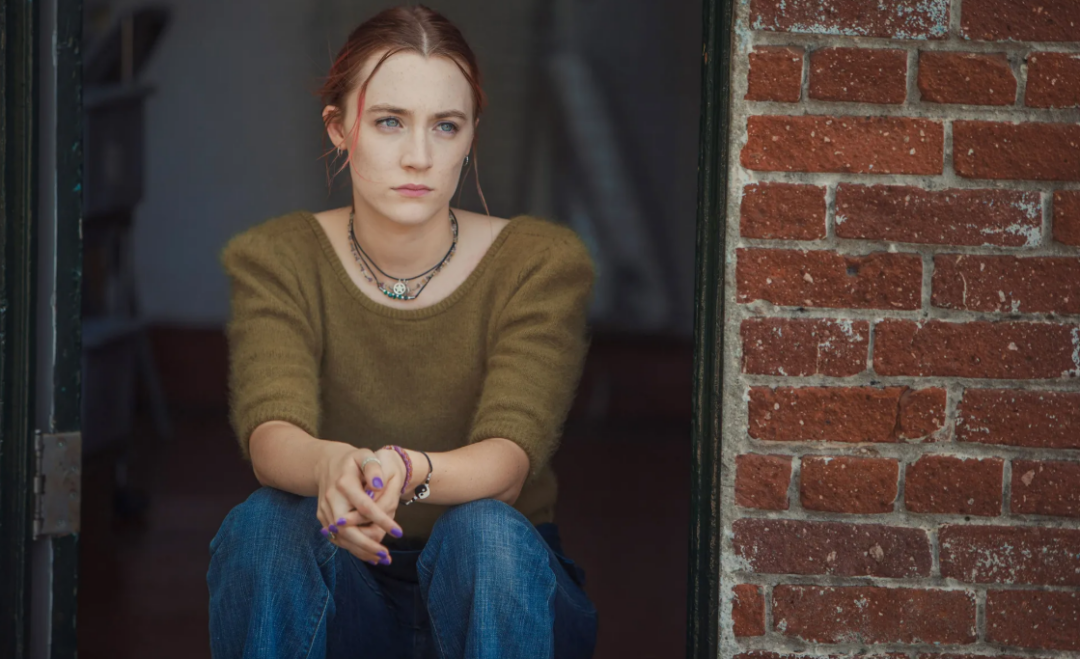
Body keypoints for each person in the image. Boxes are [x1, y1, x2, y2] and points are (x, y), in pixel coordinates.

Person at [206, 5, 599, 658]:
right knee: (267, 523)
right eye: (389, 121)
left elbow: (507, 462)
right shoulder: (278, 256)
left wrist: (408, 468)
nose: (419, 156)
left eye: (445, 126)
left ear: (470, 136)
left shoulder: (538, 262)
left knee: (484, 531)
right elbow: (271, 434)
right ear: (339, 128)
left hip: (498, 593)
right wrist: (329, 462)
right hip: (344, 587)